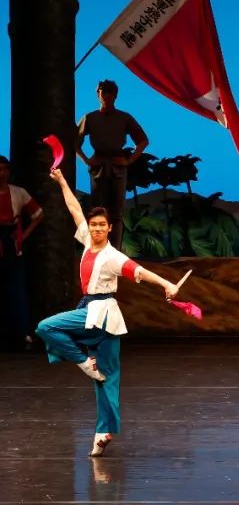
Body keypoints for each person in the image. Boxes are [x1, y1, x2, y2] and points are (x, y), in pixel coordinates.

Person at [35, 168, 178, 457]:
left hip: (101, 313)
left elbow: (139, 271)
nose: (97, 229)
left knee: (48, 328)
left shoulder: (113, 256)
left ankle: (86, 369)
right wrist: (62, 181)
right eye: (94, 225)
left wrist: (166, 284)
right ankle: (103, 428)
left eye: (102, 225)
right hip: (92, 311)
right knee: (103, 376)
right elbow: (74, 208)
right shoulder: (88, 242)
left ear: (110, 228)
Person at [76, 80, 149, 247]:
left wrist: (129, 160)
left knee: (116, 213)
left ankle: (115, 251)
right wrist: (87, 160)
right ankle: (97, 250)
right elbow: (74, 142)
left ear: (115, 95)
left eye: (110, 92)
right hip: (98, 165)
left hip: (118, 166)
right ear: (98, 94)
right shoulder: (90, 117)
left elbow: (143, 141)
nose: (106, 95)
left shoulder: (124, 117)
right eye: (103, 91)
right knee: (97, 211)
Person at [0, 156, 43, 348]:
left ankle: (21, 335)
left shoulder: (18, 192)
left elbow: (38, 214)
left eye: (4, 169)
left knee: (16, 292)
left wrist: (23, 236)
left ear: (9, 171)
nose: (1, 173)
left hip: (13, 248)